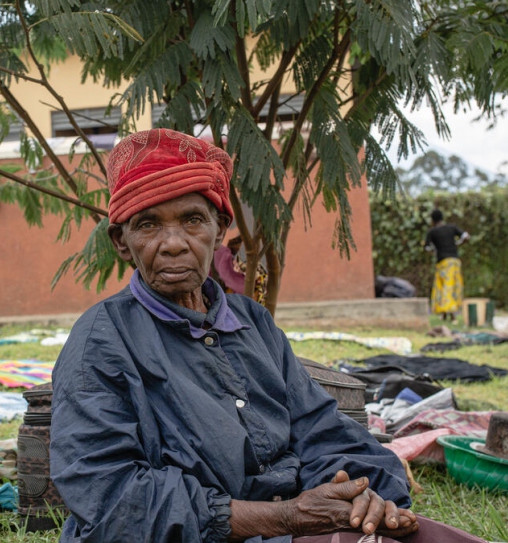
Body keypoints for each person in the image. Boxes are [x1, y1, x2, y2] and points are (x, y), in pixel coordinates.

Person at [50, 129, 485, 543]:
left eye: (192, 220)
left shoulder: (252, 322)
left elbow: (321, 427)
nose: (173, 243)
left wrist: (360, 495)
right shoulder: (100, 342)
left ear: (220, 230)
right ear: (121, 242)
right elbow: (109, 495)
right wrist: (287, 516)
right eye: (148, 225)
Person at [424, 209, 470, 322]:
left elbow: (426, 247)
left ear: (432, 221)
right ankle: (448, 314)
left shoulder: (432, 232)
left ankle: (450, 315)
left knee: (443, 288)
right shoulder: (451, 228)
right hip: (454, 261)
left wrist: (434, 250)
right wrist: (458, 243)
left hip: (442, 262)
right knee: (452, 287)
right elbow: (466, 236)